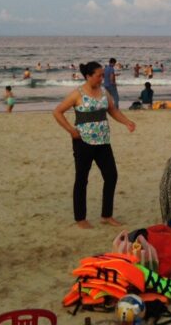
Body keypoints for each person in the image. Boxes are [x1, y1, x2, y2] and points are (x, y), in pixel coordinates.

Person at [53, 61, 136, 228]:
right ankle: (80, 218)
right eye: (99, 75)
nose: (102, 78)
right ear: (89, 76)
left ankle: (106, 215)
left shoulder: (104, 92)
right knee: (82, 180)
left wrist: (127, 122)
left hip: (103, 142)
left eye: (102, 75)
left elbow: (112, 110)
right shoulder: (77, 94)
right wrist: (71, 130)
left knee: (111, 175)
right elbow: (57, 112)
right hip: (83, 143)